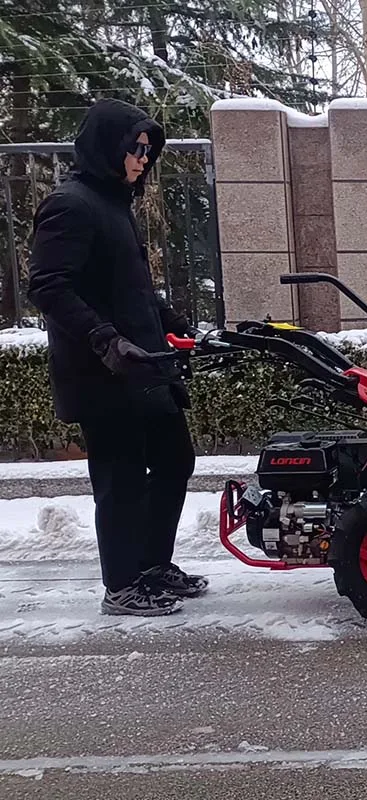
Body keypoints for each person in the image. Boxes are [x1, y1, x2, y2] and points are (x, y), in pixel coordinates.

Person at [28, 98, 208, 617]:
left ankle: (152, 566)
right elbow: (49, 286)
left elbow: (133, 290)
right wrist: (104, 338)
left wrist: (176, 326)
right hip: (102, 371)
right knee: (121, 478)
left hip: (143, 366)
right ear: (108, 147)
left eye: (148, 151)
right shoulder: (71, 204)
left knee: (175, 458)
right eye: (136, 149)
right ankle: (122, 584)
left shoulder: (113, 205)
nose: (142, 160)